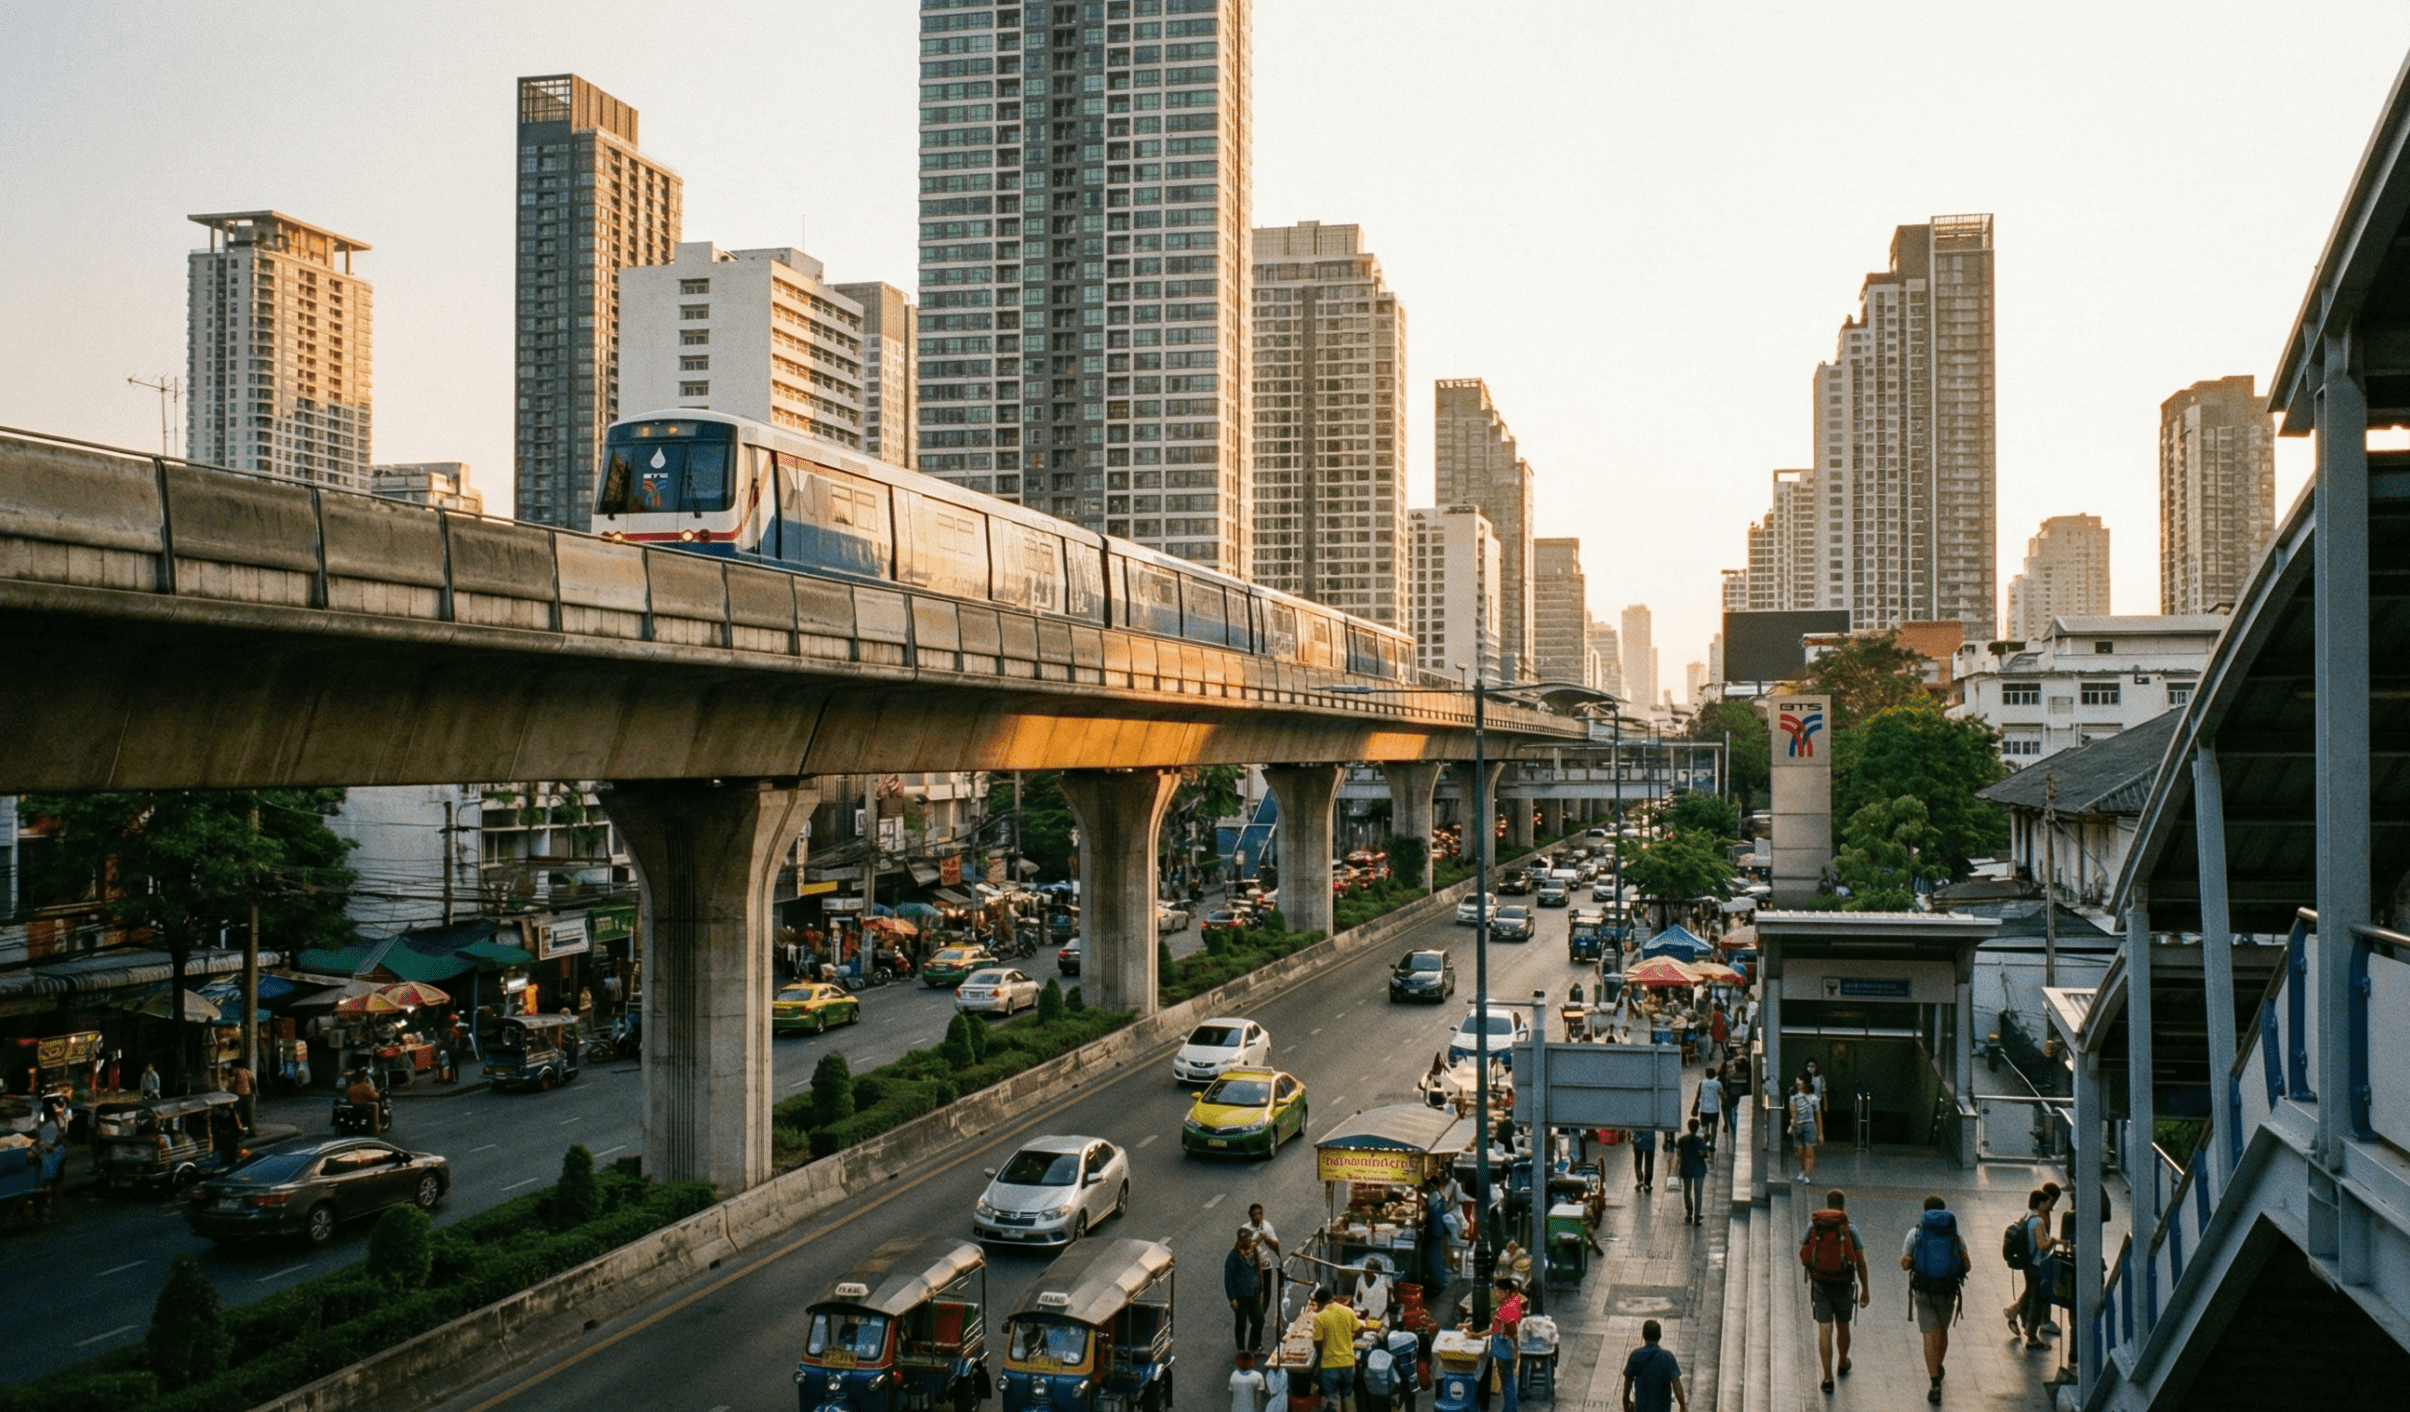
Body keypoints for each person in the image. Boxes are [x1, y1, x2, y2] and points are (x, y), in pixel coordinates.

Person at [1798, 1188, 1869, 1394]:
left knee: (1824, 1329)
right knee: (1843, 1324)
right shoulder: (1850, 1229)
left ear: (1827, 1204)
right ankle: (1842, 1361)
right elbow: (1861, 1261)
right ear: (1843, 1206)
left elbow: (1803, 1252)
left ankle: (1827, 1377)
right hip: (1844, 1283)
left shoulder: (1814, 1225)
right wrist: (1865, 1288)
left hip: (1820, 1284)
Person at [1901, 1194, 1971, 1403]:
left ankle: (1934, 1383)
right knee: (1942, 1331)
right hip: (1948, 1291)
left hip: (1924, 1291)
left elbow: (1904, 1263)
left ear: (1925, 1211)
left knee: (1929, 1336)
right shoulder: (1955, 1234)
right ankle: (1938, 1366)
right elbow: (1967, 1265)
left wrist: (1914, 1261)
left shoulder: (1916, 1233)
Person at [2002, 1188, 2056, 1350]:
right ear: (2040, 1203)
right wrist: (2053, 1241)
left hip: (2027, 1263)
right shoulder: (2038, 1221)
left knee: (2030, 1291)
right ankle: (2031, 1336)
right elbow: (2042, 1245)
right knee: (2038, 1299)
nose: (2049, 1205)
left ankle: (2014, 1313)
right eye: (2047, 1202)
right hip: (2038, 1265)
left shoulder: (2027, 1216)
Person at [1619, 1319, 1687, 1412]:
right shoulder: (1668, 1357)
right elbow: (1676, 1384)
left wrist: (1626, 1404)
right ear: (1660, 1336)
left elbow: (1627, 1385)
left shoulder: (1635, 1356)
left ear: (1643, 1335)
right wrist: (1682, 1406)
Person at [1311, 1286, 1361, 1412]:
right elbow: (1360, 1330)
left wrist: (1321, 1354)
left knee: (1333, 1401)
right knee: (1349, 1397)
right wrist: (1349, 1339)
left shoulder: (1320, 1317)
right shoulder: (1348, 1311)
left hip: (1329, 1367)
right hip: (1348, 1364)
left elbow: (1317, 1342)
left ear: (1320, 1303)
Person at [1244, 1203, 1284, 1328]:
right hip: (1252, 1266)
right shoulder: (1245, 1229)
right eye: (1254, 1214)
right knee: (1255, 1292)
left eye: (1259, 1214)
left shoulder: (1267, 1226)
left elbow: (1275, 1245)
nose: (1257, 1217)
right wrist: (1257, 1239)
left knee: (1266, 1292)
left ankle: (1261, 1314)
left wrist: (1265, 1237)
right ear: (1250, 1215)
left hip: (1265, 1264)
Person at [1226, 1228, 1264, 1354]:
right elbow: (1228, 1279)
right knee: (1241, 1324)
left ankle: (1254, 1347)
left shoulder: (1255, 1252)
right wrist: (1232, 1299)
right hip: (1240, 1296)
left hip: (1253, 1294)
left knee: (1259, 1320)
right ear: (1239, 1240)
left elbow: (1259, 1272)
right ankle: (1241, 1349)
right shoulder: (1234, 1256)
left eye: (1248, 1238)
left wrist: (1260, 1290)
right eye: (1243, 1239)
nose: (1246, 1241)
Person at [1673, 1119, 1710, 1225]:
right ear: (1697, 1127)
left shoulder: (1681, 1140)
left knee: (1687, 1191)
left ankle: (1689, 1211)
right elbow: (1704, 1154)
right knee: (1698, 1193)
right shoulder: (1700, 1141)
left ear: (1688, 1127)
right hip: (1699, 1169)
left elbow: (1678, 1154)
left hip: (1686, 1168)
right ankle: (1697, 1215)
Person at [1787, 1077, 1822, 1181]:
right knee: (1799, 1152)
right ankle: (1802, 1170)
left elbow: (1818, 1116)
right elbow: (1793, 1112)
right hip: (1798, 1125)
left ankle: (1807, 1175)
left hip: (1810, 1125)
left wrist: (1820, 1133)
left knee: (1809, 1152)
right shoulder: (1793, 1098)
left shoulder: (1814, 1098)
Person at [1692, 1069, 1724, 1155]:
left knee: (1705, 1127)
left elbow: (1698, 1095)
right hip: (1714, 1110)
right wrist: (1724, 1103)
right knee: (1714, 1128)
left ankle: (1705, 1139)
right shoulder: (1718, 1083)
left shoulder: (1702, 1083)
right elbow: (1722, 1095)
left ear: (1706, 1074)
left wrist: (1694, 1107)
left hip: (1704, 1109)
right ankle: (1712, 1146)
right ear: (1714, 1074)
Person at [227, 1060, 256, 1132]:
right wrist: (255, 1092)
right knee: (248, 1113)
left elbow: (230, 1082)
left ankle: (240, 1128)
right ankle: (250, 1130)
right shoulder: (247, 1072)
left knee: (238, 1113)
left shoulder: (235, 1071)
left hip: (237, 1095)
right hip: (247, 1093)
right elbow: (253, 1083)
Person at [1628, 1123, 1657, 1193]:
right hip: (1650, 1140)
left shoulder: (1637, 1114)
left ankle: (1640, 1180)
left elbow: (1632, 1127)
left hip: (1638, 1140)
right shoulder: (1651, 1114)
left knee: (1638, 1161)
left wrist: (1632, 1136)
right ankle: (1647, 1183)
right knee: (1649, 1162)